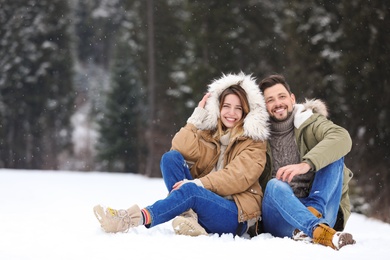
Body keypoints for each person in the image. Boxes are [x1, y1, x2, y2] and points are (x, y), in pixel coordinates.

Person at [93, 72, 270, 237]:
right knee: (170, 159)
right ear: (217, 108)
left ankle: (129, 219)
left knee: (191, 190)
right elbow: (179, 147)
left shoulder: (255, 142)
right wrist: (196, 118)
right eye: (226, 106)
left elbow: (236, 177)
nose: (231, 113)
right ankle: (188, 218)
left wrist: (197, 183)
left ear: (246, 112)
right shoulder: (210, 133)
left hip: (235, 214)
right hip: (203, 203)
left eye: (238, 108)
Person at [257, 74, 356, 250]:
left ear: (292, 98)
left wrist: (307, 163)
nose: (278, 103)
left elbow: (341, 137)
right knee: (275, 185)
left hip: (321, 210)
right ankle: (315, 229)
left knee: (333, 154)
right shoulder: (257, 135)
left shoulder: (310, 122)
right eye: (270, 100)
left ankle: (314, 223)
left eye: (282, 96)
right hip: (281, 216)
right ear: (264, 106)